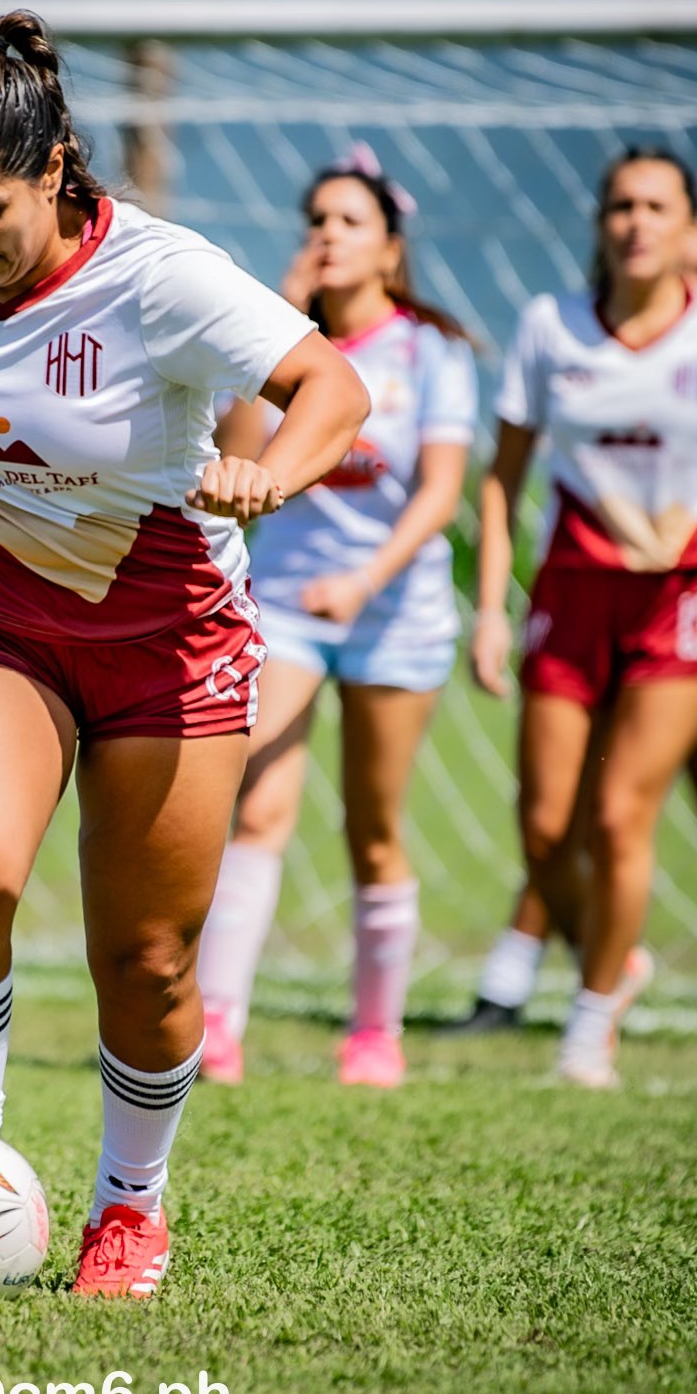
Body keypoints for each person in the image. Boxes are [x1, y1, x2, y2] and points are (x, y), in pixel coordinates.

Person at [0, 12, 367, 1296]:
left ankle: (129, 1209)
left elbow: (334, 388)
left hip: (172, 641)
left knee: (145, 961)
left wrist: (272, 472)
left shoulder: (164, 277)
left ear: (53, 172)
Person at [464, 148, 697, 1088]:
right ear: (601, 222)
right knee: (544, 830)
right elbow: (501, 479)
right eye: (621, 206)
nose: (636, 222)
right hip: (571, 591)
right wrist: (489, 609)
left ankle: (588, 1028)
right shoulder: (549, 326)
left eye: (656, 206)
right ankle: (615, 957)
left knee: (621, 813)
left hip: (689, 594)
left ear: (687, 226)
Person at [193, 146, 475, 1089]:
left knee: (373, 826)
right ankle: (217, 1027)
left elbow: (439, 493)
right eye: (316, 219)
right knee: (259, 806)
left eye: (349, 221)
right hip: (285, 606)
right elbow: (238, 462)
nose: (326, 234)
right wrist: (269, 321)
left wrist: (365, 580)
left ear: (390, 248)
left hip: (396, 615)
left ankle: (373, 1034)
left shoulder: (429, 352)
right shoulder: (280, 344)